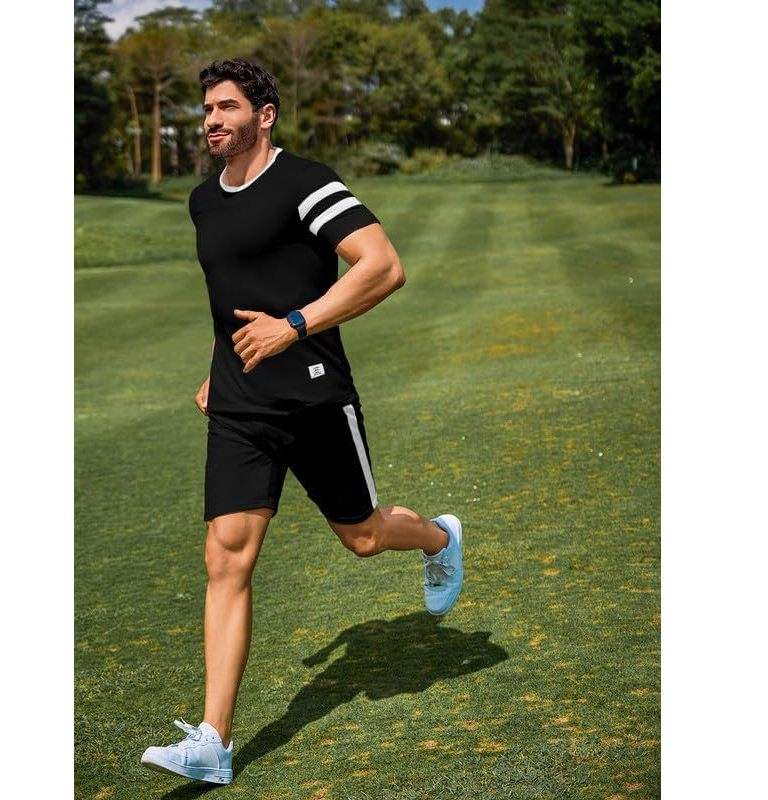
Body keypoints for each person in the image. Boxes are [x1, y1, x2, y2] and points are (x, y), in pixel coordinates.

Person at [140, 58, 464, 786]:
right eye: (207, 109)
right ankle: (213, 741)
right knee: (227, 555)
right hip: (240, 401)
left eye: (227, 107)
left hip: (315, 397)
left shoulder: (305, 184)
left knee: (364, 536)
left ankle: (440, 538)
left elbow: (381, 265)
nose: (212, 120)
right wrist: (219, 366)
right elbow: (230, 298)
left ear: (265, 115)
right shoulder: (203, 201)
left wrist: (292, 326)